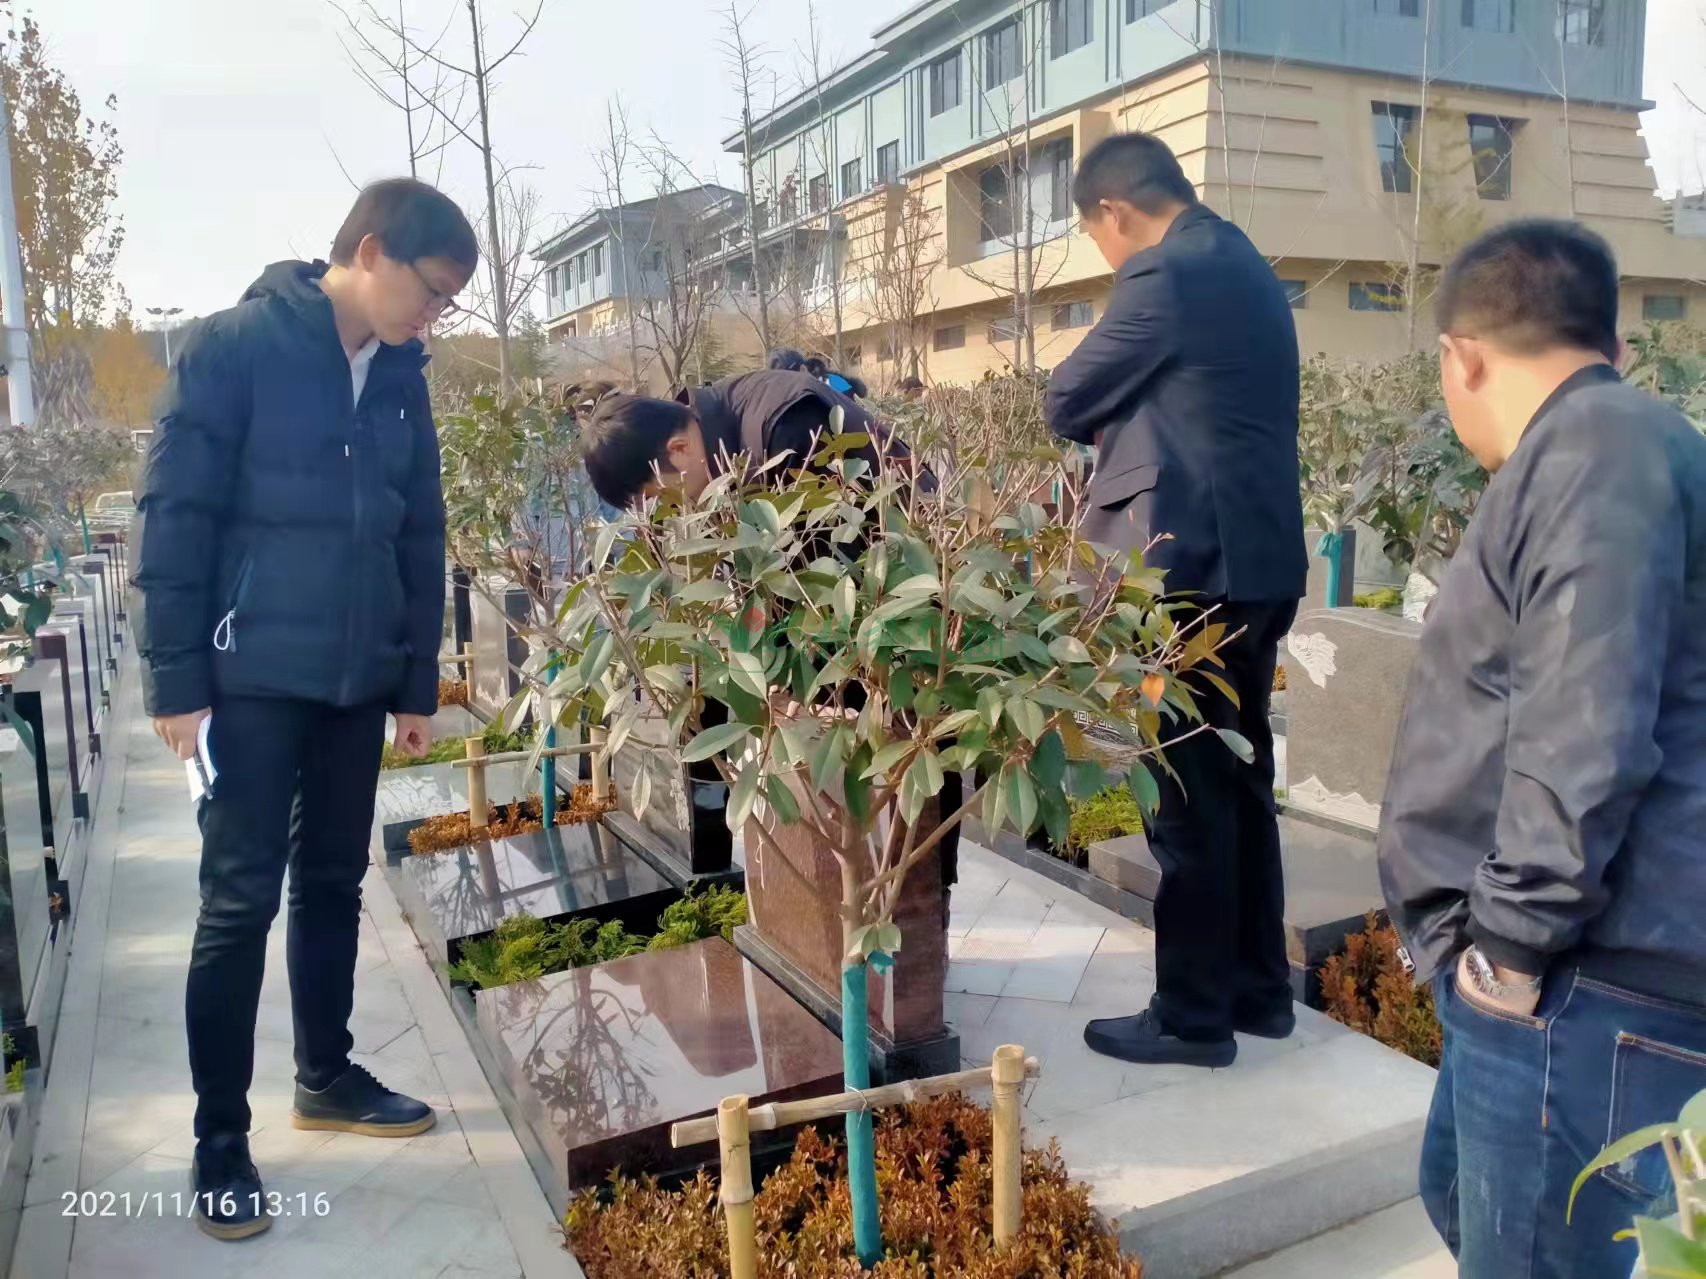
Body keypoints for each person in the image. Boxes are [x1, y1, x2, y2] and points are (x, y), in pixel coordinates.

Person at [133, 178, 477, 1241]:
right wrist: (174, 680)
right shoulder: (233, 348)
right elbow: (174, 513)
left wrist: (412, 682)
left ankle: (325, 1074)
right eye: (430, 290)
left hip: (353, 682)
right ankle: (219, 1140)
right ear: (369, 252)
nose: (435, 315)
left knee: (333, 881)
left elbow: (419, 530)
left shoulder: (402, 379)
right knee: (239, 903)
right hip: (246, 681)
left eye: (448, 301)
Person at [1377, 220, 1706, 1279]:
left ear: (1459, 357)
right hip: (1582, 969)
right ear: (1612, 342)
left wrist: (1508, 952)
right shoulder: (1616, 445)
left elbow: (1584, 723)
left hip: (1583, 977)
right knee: (1458, 1194)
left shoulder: (1594, 451)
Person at [1045, 131, 1306, 1068]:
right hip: (1256, 568)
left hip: (1184, 579)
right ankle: (1258, 992)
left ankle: (1193, 1016)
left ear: (1113, 211)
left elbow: (1065, 398)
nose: (1109, 257)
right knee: (1239, 780)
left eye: (1098, 238)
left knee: (1185, 792)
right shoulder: (1244, 263)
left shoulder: (1166, 272)